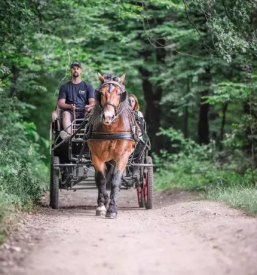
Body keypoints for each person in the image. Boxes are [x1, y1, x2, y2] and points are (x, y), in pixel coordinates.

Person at [57, 61, 95, 140]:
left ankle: (88, 135)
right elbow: (60, 103)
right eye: (73, 68)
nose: (75, 70)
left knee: (92, 113)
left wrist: (89, 106)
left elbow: (92, 101)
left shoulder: (88, 86)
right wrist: (69, 106)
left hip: (85, 111)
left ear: (81, 71)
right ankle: (70, 137)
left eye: (78, 68)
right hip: (71, 112)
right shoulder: (64, 87)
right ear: (70, 71)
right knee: (65, 113)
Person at [129, 94, 147, 178]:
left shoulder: (138, 114)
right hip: (124, 137)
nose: (130, 103)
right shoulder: (120, 113)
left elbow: (141, 128)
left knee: (142, 142)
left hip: (135, 136)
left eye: (132, 101)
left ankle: (135, 165)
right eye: (129, 101)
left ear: (135, 103)